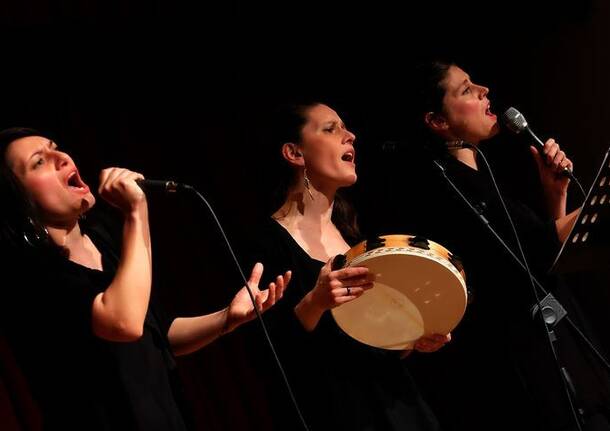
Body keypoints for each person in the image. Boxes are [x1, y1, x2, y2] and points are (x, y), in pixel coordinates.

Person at [0, 127, 291, 430]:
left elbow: (158, 333)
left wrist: (225, 319)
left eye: (55, 147)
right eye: (39, 162)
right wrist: (136, 212)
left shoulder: (105, 241)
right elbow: (123, 323)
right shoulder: (30, 274)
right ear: (19, 202)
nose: (61, 157)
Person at [386, 61, 610, 431]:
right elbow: (525, 255)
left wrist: (557, 194)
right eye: (465, 89)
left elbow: (542, 259)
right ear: (438, 121)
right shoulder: (447, 186)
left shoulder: (487, 175)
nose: (484, 90)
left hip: (561, 331)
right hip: (530, 357)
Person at [245, 101, 451, 431]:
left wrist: (411, 340)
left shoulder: (357, 238)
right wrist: (316, 301)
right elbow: (273, 350)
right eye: (331, 129)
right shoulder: (265, 243)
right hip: (339, 411)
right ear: (295, 153)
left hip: (401, 407)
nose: (350, 136)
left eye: (345, 128)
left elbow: (374, 338)